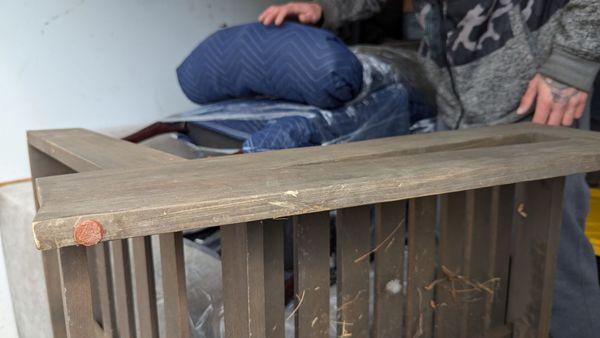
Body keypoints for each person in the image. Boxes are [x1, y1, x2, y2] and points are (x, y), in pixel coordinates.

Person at [259, 1, 600, 337]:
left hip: (537, 105)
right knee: (457, 262)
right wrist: (326, 7)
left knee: (550, 264)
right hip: (456, 114)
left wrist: (572, 63)